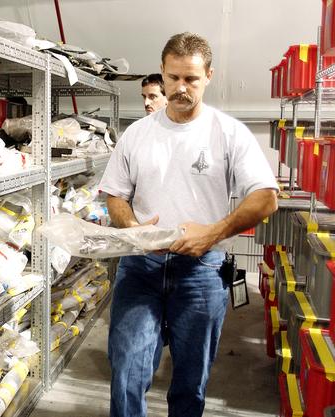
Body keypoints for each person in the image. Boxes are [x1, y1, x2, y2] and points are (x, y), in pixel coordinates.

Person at [99, 32, 278, 417]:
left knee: (190, 383)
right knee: (127, 370)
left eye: (191, 79)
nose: (181, 88)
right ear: (162, 75)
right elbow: (114, 194)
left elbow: (266, 197)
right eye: (173, 77)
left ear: (209, 76)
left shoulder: (229, 133)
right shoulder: (137, 134)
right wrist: (132, 227)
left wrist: (212, 234)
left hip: (201, 271)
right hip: (141, 268)